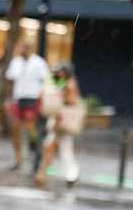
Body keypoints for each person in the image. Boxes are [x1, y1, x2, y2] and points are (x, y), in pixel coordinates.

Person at [34, 64, 83, 188]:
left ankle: (47, 173)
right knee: (63, 149)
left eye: (60, 72)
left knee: (57, 147)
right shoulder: (64, 83)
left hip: (61, 120)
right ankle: (71, 174)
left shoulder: (69, 85)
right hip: (59, 119)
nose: (57, 74)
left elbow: (69, 101)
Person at [5, 41, 50, 171]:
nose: (22, 50)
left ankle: (37, 150)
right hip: (18, 98)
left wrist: (42, 97)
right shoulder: (16, 62)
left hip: (33, 98)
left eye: (25, 47)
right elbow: (10, 80)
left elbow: (46, 81)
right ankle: (18, 159)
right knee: (15, 127)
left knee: (30, 127)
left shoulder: (39, 63)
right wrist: (8, 99)